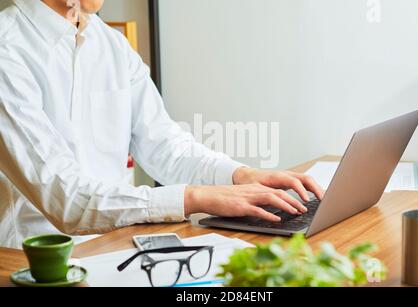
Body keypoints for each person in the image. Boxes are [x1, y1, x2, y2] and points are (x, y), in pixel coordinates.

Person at [0, 0, 323, 248]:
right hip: (31, 260)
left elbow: (165, 145)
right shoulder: (7, 48)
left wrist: (241, 176)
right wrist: (197, 197)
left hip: (115, 244)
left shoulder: (110, 43)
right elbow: (67, 200)